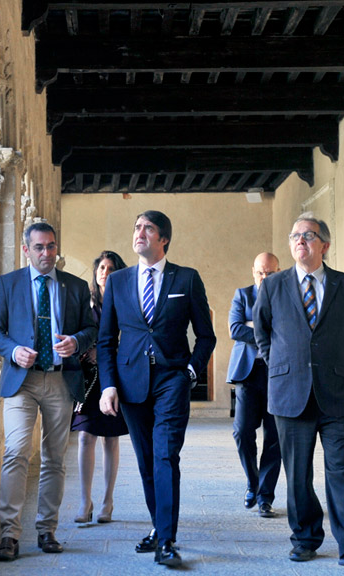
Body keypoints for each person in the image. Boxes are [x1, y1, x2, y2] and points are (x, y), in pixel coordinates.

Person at [253, 212, 344, 568]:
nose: (300, 241)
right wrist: (284, 365)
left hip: (337, 392)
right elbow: (262, 334)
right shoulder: (273, 285)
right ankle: (305, 538)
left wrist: (334, 363)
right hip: (289, 392)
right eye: (295, 235)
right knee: (297, 473)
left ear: (324, 245)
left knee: (342, 468)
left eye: (308, 235)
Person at [97, 210, 216, 568]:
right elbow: (106, 341)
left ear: (164, 238)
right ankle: (157, 525)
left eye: (148, 228)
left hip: (171, 380)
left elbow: (206, 336)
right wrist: (108, 386)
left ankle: (166, 539)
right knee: (147, 461)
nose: (140, 233)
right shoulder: (118, 282)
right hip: (131, 384)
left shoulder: (187, 279)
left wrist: (190, 373)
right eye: (136, 227)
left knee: (165, 456)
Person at [0, 222, 98, 562]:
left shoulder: (76, 287)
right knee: (16, 452)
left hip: (62, 381)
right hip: (22, 381)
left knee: (54, 458)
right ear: (26, 250)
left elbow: (92, 328)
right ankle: (9, 534)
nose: (47, 253)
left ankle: (47, 530)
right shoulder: (9, 284)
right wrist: (12, 351)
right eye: (39, 248)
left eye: (51, 247)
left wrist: (76, 341)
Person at [71, 251, 129, 525]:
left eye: (110, 267)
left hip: (115, 378)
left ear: (118, 272)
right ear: (95, 273)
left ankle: (107, 500)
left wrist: (107, 355)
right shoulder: (86, 303)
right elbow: (76, 333)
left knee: (110, 438)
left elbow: (131, 338)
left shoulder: (126, 302)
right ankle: (85, 500)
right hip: (88, 380)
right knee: (84, 436)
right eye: (101, 267)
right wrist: (87, 350)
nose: (105, 271)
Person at [227, 252, 282, 519]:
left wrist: (255, 328)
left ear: (279, 272)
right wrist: (267, 333)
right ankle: (253, 481)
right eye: (260, 272)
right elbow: (235, 328)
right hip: (248, 373)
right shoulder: (243, 295)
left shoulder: (285, 294)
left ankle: (265, 497)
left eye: (270, 273)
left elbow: (289, 330)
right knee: (242, 432)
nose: (264, 277)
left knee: (275, 437)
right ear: (253, 272)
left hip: (278, 374)